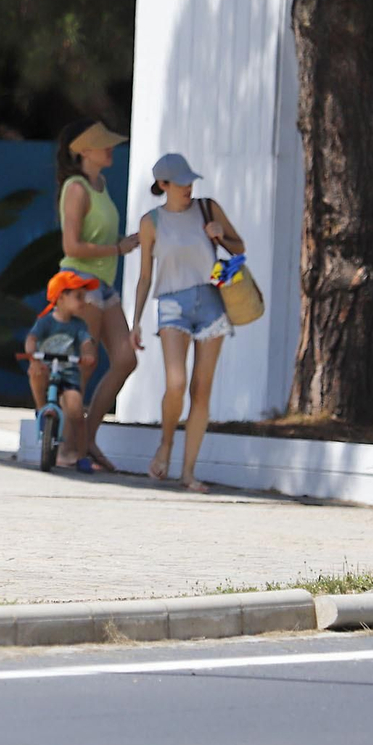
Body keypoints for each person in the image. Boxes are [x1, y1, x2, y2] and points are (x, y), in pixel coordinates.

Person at [129, 152, 245, 493]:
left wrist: (220, 235)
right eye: (180, 183)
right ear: (163, 184)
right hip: (171, 304)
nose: (187, 188)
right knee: (176, 382)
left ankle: (189, 472)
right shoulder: (151, 222)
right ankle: (165, 444)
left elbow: (239, 248)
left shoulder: (207, 208)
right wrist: (135, 322)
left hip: (211, 303)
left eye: (190, 181)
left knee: (201, 390)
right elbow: (145, 276)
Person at [54, 120, 140, 472]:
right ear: (84, 151)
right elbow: (71, 246)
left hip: (104, 284)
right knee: (83, 366)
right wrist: (118, 248)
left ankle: (86, 440)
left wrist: (120, 246)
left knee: (126, 359)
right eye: (103, 144)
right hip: (80, 284)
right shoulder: (76, 188)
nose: (110, 149)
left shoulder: (100, 185)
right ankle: (66, 448)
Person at [26, 272, 100, 467]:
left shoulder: (79, 325)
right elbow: (31, 339)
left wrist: (88, 354)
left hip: (68, 374)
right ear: (60, 298)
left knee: (77, 411)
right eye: (78, 297)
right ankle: (41, 407)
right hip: (47, 369)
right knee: (35, 372)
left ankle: (82, 455)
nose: (84, 302)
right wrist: (33, 355)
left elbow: (86, 342)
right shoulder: (45, 322)